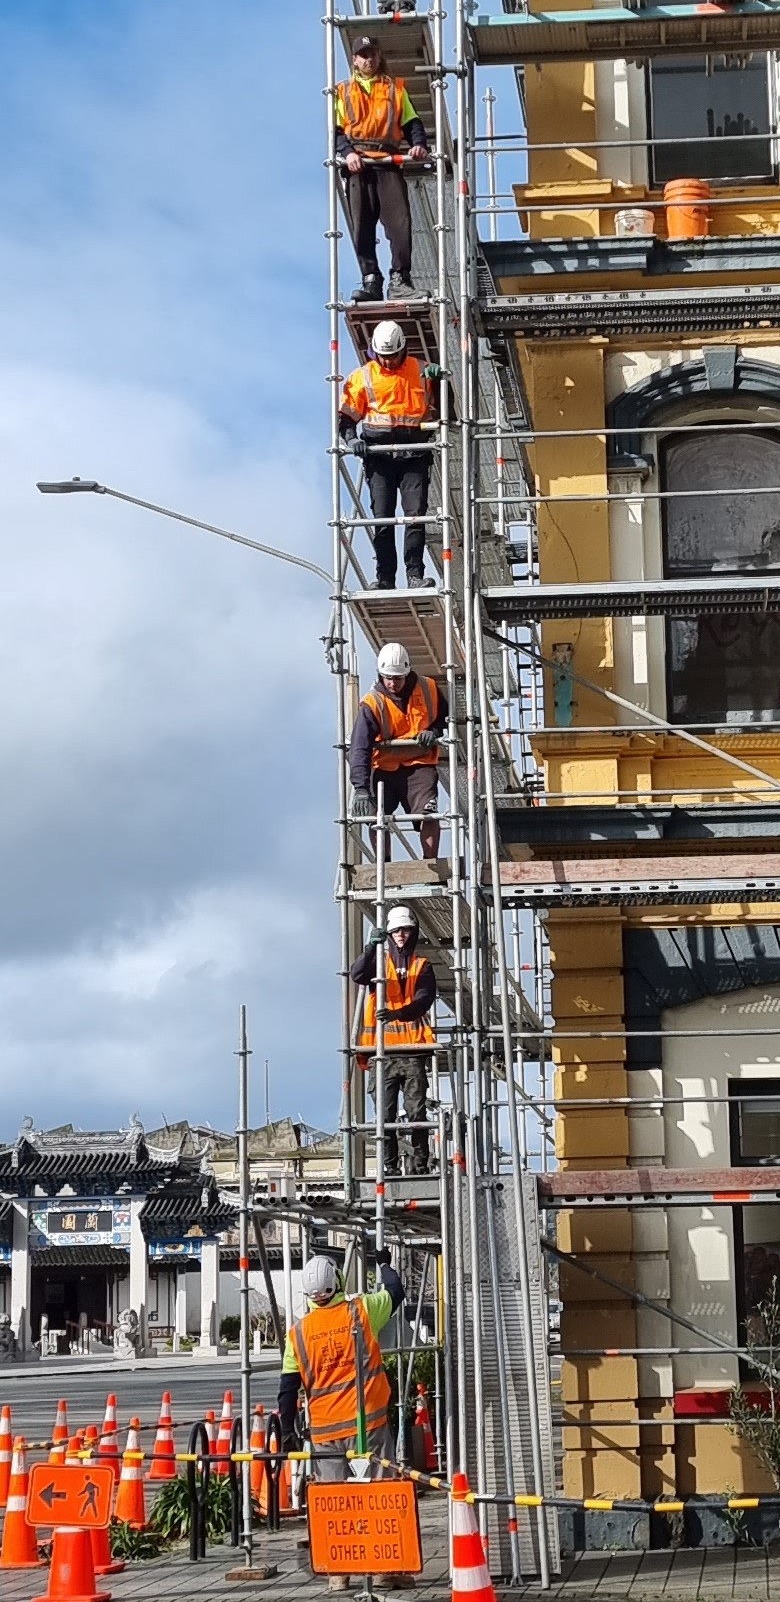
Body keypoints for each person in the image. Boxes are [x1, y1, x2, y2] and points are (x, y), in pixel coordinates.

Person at [279, 1253, 404, 1588]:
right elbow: (395, 1291)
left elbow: (287, 1390)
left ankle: (338, 1573)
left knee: (333, 1502)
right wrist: (383, 1264)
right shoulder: (362, 1311)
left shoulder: (298, 1334)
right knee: (379, 1494)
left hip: (325, 1431)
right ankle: (383, 1571)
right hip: (367, 1424)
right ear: (337, 1281)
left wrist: (288, 1431)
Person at [340, 322, 440, 589]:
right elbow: (346, 418)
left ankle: (415, 575)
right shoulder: (362, 377)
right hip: (379, 456)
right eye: (382, 356)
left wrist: (441, 383)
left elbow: (444, 413)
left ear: (402, 349)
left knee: (415, 516)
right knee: (383, 517)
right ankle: (385, 578)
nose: (387, 361)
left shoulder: (421, 370)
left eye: (392, 355)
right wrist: (352, 440)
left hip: (414, 454)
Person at [334, 34, 429, 302]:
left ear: (379, 57)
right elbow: (336, 130)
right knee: (362, 226)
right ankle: (371, 280)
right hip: (359, 164)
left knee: (400, 224)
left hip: (387, 160)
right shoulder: (342, 91)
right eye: (364, 55)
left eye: (373, 54)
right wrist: (348, 153)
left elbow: (411, 122)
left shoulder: (394, 89)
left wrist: (418, 145)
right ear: (355, 60)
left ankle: (400, 278)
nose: (369, 60)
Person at [351, 904, 437, 1177]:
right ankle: (389, 1167)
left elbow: (423, 1000)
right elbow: (357, 974)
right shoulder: (378, 963)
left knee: (416, 1114)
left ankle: (421, 1166)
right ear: (389, 933)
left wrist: (397, 1014)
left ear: (413, 932)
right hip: (381, 1053)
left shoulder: (421, 965)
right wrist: (369, 948)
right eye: (396, 930)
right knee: (385, 1116)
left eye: (406, 930)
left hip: (412, 1051)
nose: (401, 934)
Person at [348, 640, 448, 858]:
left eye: (398, 678)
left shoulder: (428, 688)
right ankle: (384, 866)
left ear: (407, 673)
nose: (393, 683)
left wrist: (434, 731)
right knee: (376, 817)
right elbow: (359, 748)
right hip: (384, 768)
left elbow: (444, 717)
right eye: (388, 678)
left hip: (420, 764)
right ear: (380, 675)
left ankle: (430, 863)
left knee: (428, 814)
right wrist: (361, 788)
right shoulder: (372, 704)